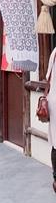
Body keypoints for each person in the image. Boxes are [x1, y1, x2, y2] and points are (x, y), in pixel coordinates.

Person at [45, 46, 56, 194]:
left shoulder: (54, 52)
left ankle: (55, 179)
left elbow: (48, 76)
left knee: (55, 143)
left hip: (53, 102)